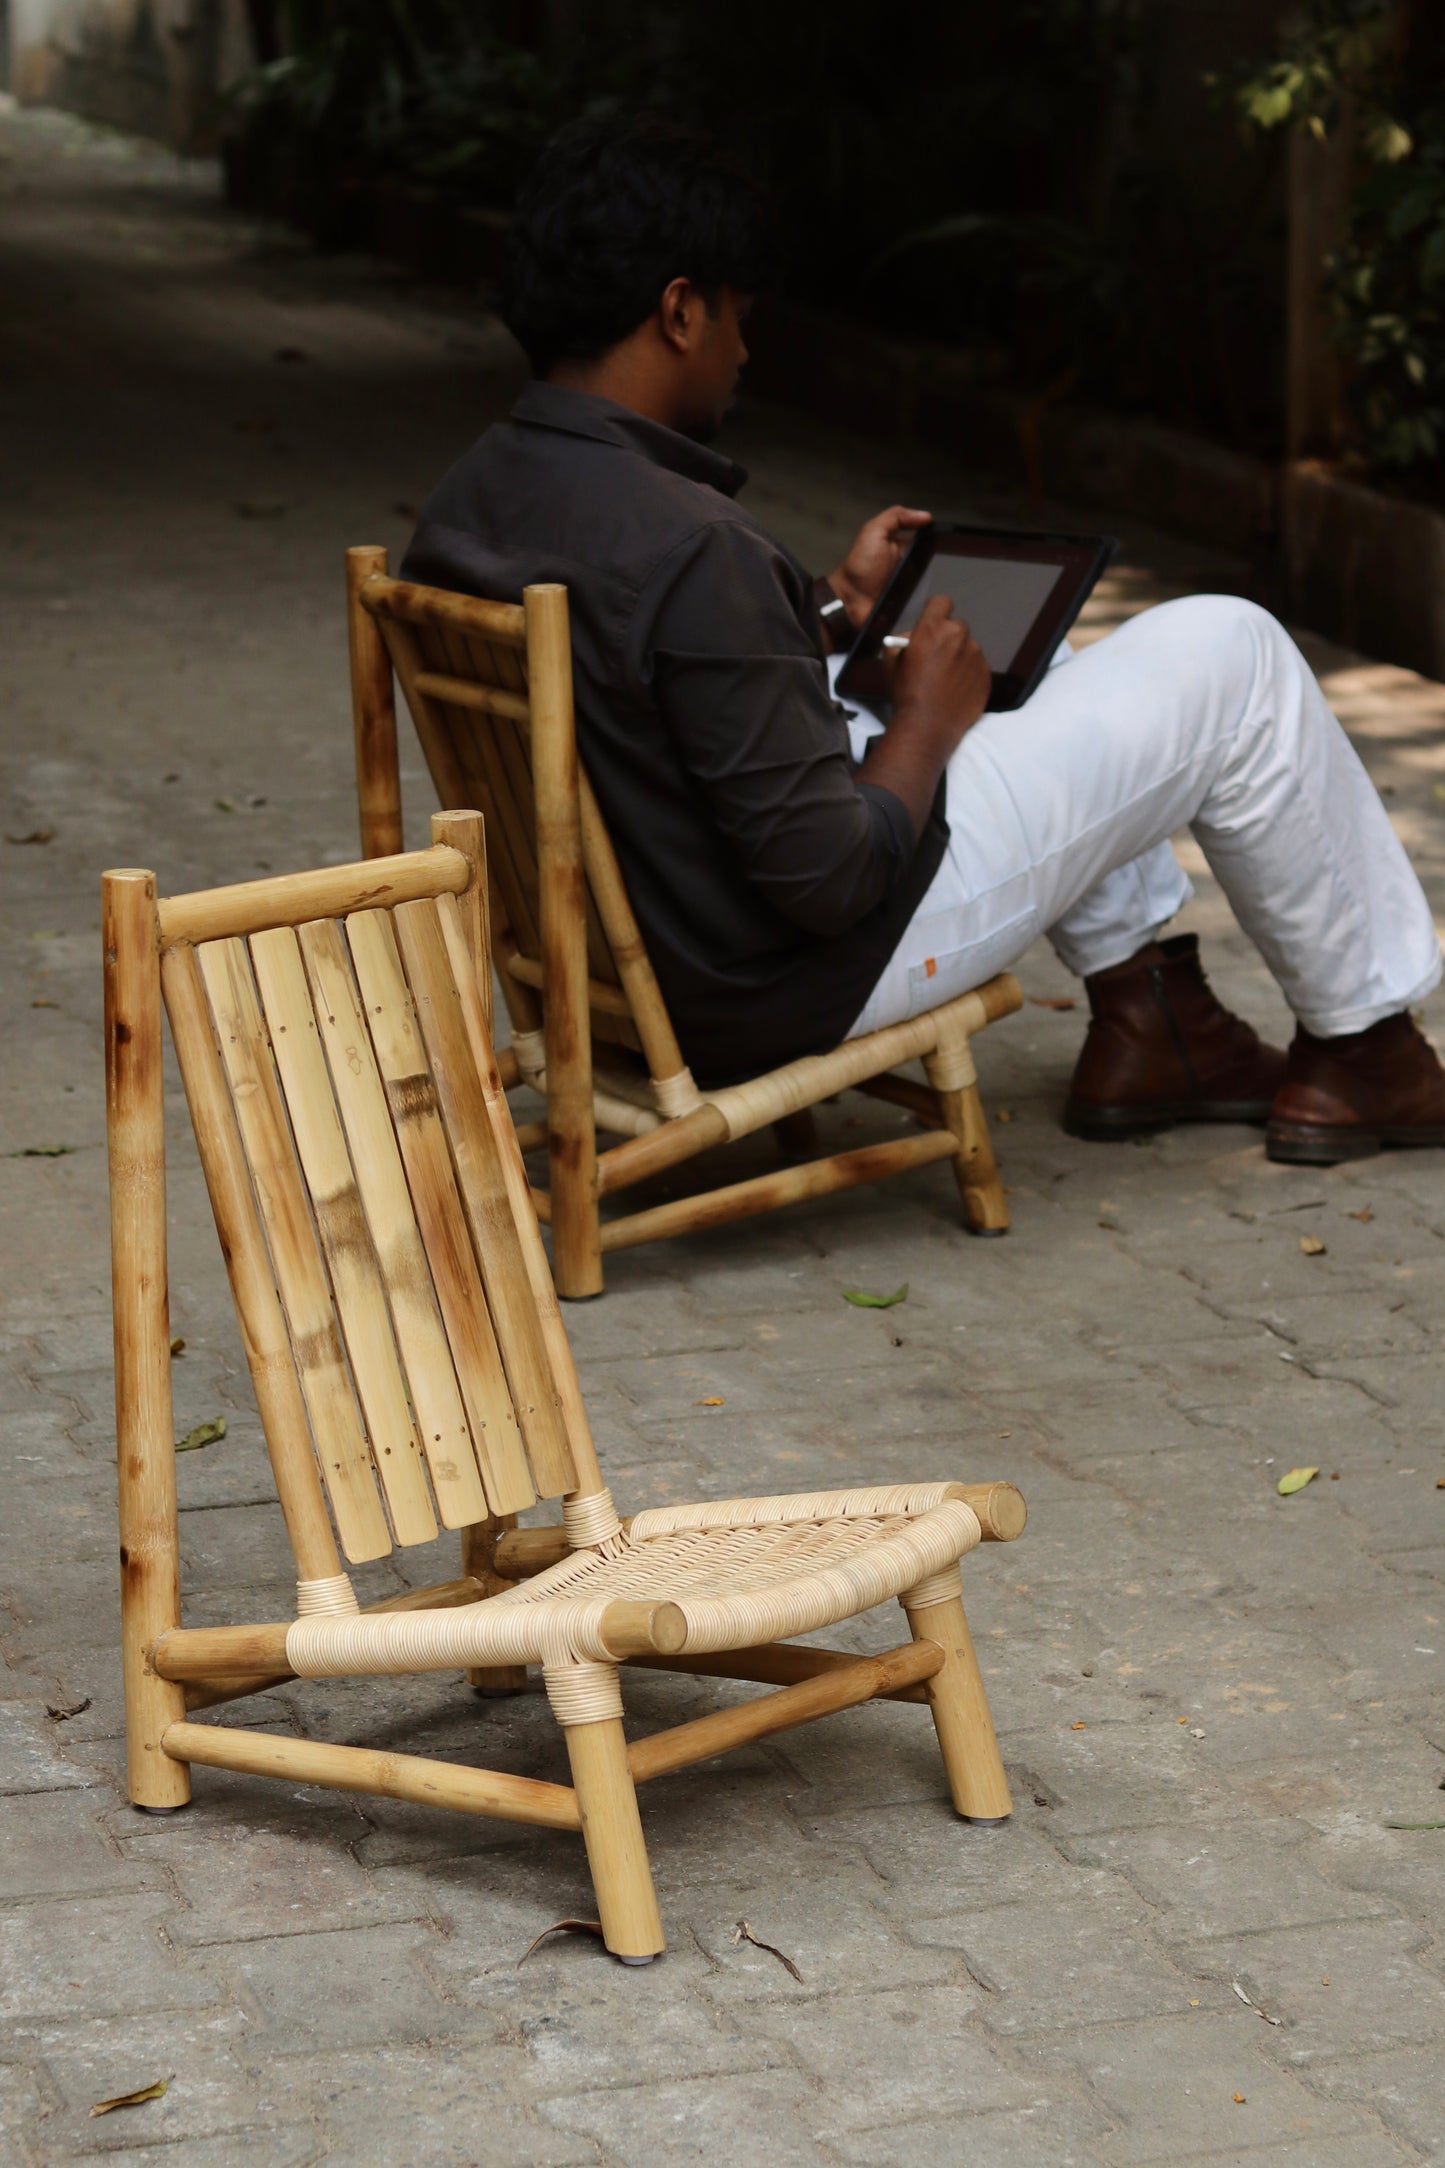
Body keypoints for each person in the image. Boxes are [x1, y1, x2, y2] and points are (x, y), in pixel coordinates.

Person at [403, 112, 1445, 1167]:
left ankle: (1155, 1020)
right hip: (784, 977)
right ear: (678, 311)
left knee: (1029, 656)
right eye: (736, 319)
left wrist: (817, 609)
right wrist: (923, 722)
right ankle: (1367, 1046)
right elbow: (832, 879)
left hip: (646, 962)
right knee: (1234, 651)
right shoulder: (694, 546)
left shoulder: (472, 497)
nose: (743, 350)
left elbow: (637, 676)